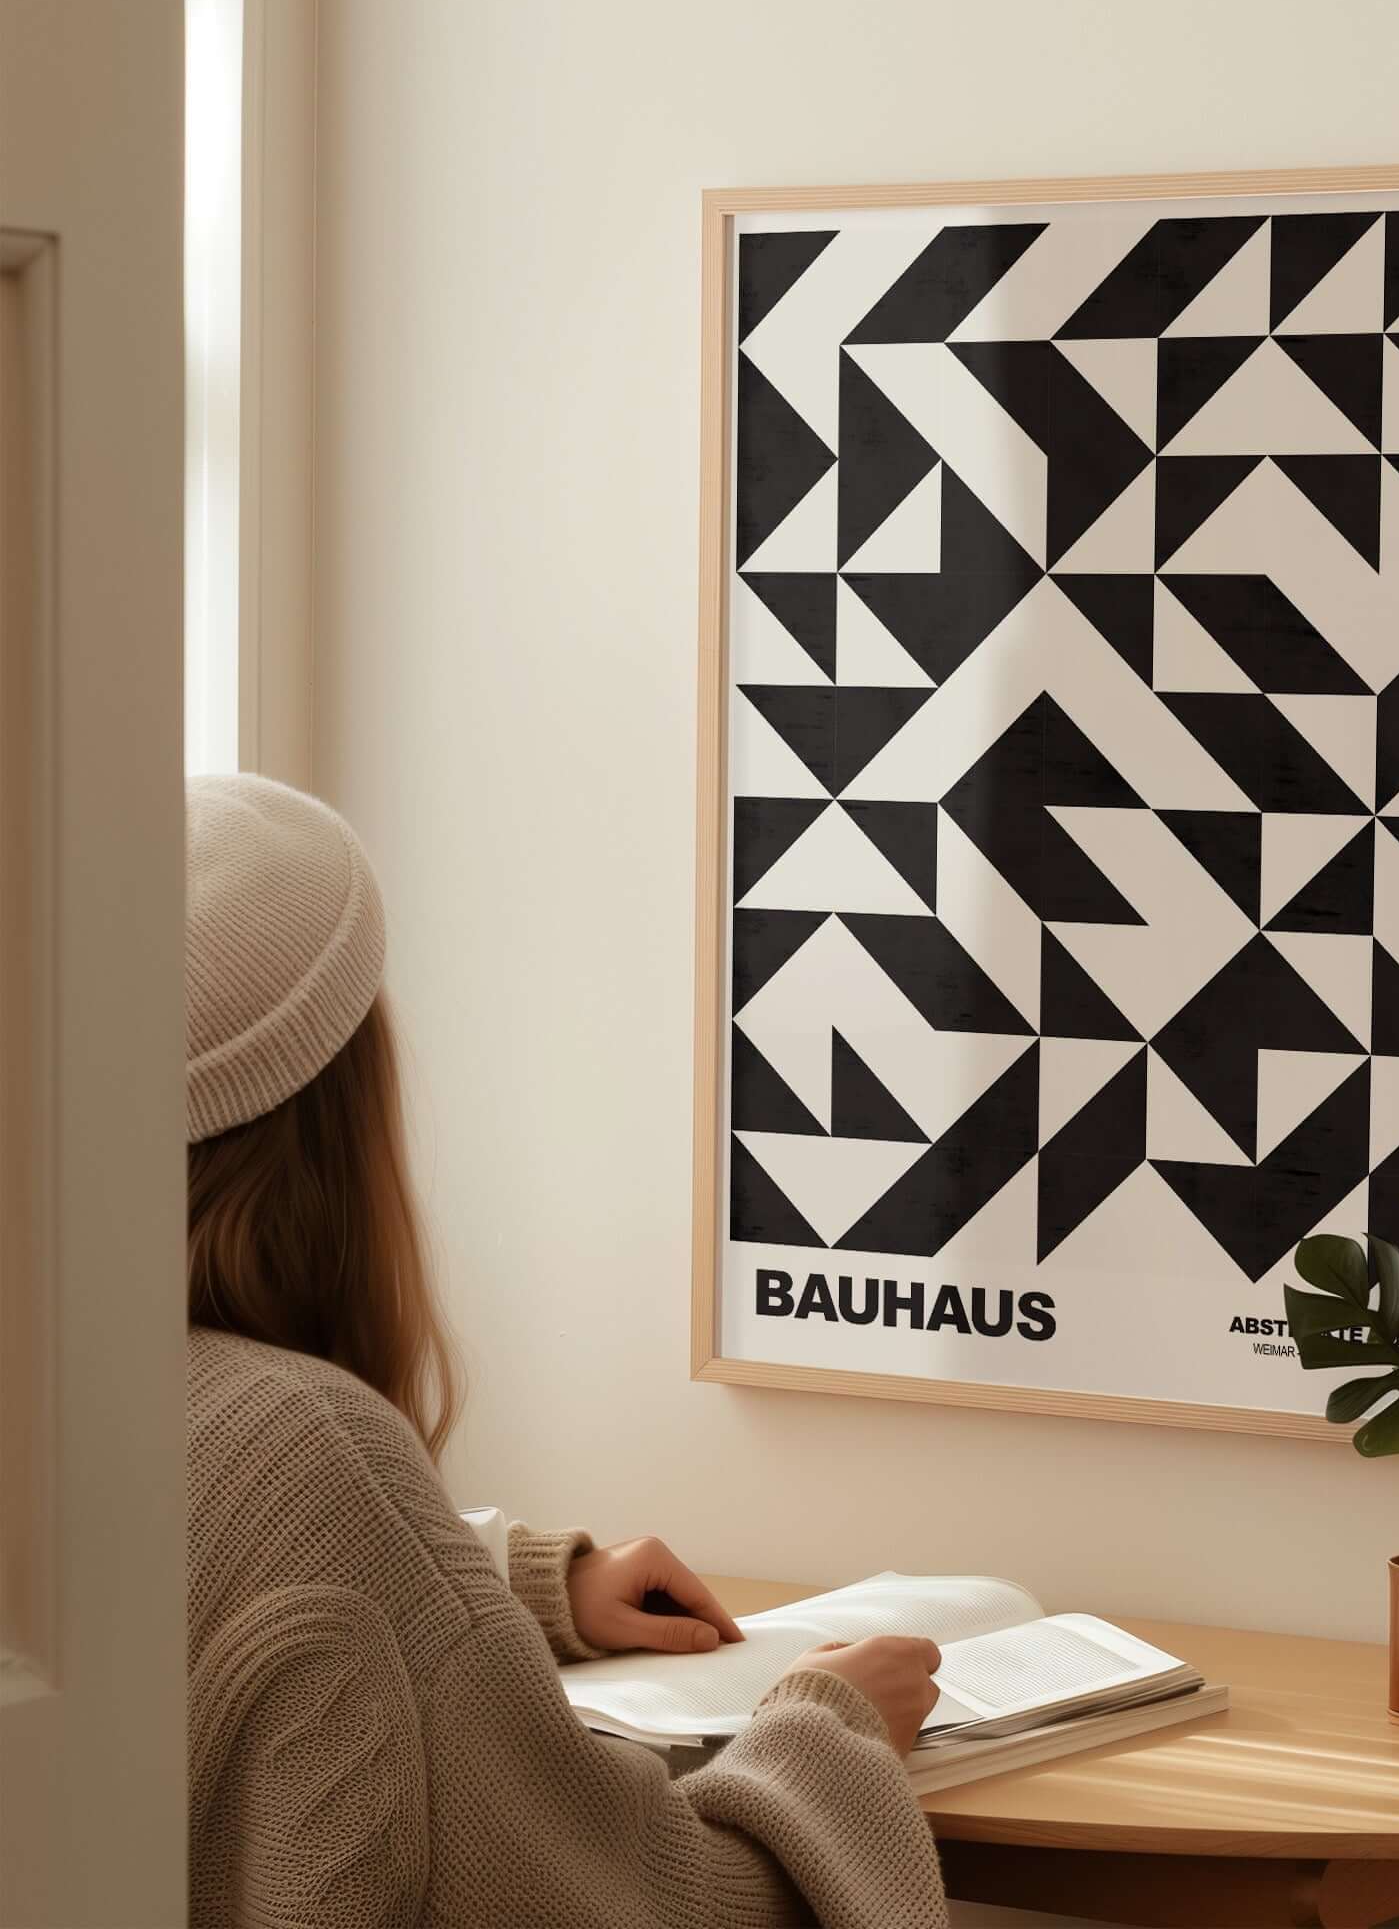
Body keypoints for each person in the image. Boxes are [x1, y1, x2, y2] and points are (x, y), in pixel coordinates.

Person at [184, 774, 951, 1928]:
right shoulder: (304, 1445)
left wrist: (489, 1581)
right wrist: (827, 1728)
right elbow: (651, 1908)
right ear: (339, 1112)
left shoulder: (87, 1393)